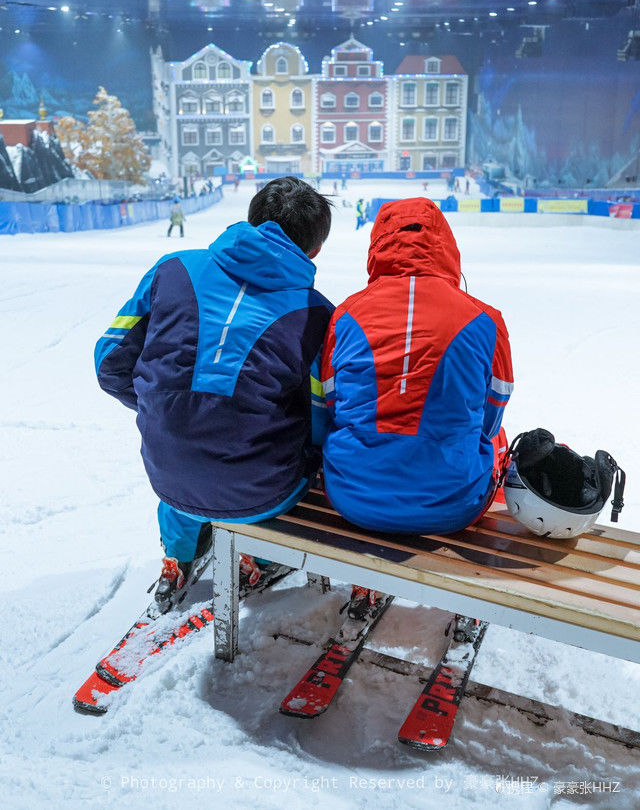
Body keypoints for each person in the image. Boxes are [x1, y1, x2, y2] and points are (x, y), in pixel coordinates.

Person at [95, 177, 334, 611]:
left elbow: (110, 362)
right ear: (314, 250)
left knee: (186, 455)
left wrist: (166, 405)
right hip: (265, 489)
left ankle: (178, 554)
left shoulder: (172, 269)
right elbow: (321, 420)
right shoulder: (317, 313)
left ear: (250, 221)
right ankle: (259, 555)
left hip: (168, 473)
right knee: (292, 465)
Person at [321, 197, 513, 609]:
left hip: (352, 497)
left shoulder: (344, 314)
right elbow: (492, 417)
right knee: (498, 439)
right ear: (446, 245)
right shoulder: (486, 318)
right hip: (455, 505)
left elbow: (330, 407)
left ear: (378, 245)